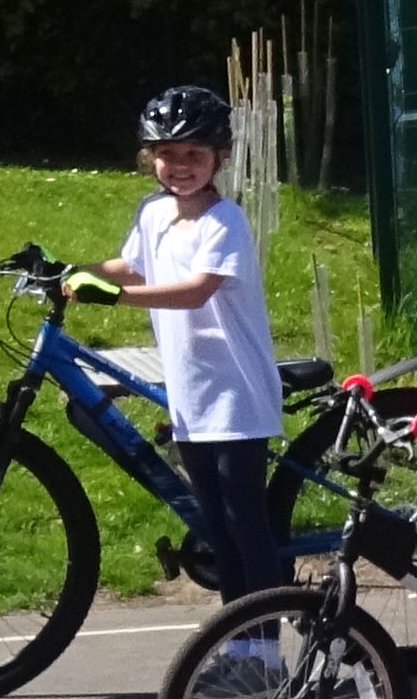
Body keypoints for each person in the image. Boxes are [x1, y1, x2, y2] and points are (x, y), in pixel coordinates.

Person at [88, 83, 290, 602]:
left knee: (244, 522)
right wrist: (68, 272)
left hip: (235, 396)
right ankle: (234, 640)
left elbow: (198, 291)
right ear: (150, 158)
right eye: (166, 154)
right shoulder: (154, 213)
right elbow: (130, 267)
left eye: (193, 154)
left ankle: (262, 647)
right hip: (191, 396)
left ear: (219, 158)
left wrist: (111, 298)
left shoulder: (225, 222)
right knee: (215, 529)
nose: (179, 165)